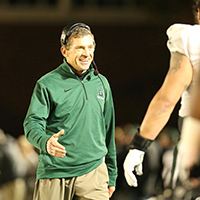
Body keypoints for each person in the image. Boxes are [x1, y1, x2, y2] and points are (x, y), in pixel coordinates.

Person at [23, 22, 117, 200]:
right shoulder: (47, 83)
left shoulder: (102, 83)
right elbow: (31, 124)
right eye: (80, 48)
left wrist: (111, 174)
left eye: (90, 47)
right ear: (64, 51)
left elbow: (109, 130)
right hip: (55, 171)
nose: (87, 54)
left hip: (94, 172)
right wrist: (45, 142)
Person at [123, 0, 200, 193]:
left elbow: (167, 100)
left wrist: (139, 145)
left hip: (195, 132)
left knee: (184, 192)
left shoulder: (191, 38)